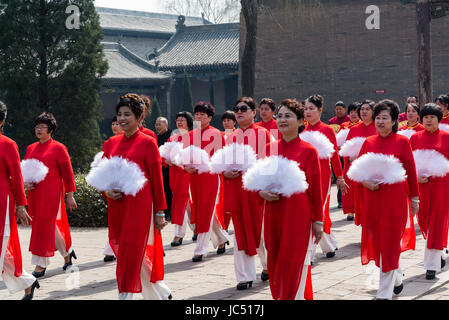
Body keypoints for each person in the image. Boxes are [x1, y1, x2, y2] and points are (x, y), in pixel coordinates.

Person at [102, 93, 171, 300]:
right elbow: (101, 174)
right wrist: (106, 190)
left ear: (139, 117)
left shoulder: (148, 143)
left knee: (130, 252)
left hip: (140, 205)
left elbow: (157, 180)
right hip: (118, 205)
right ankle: (161, 294)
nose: (122, 119)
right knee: (129, 251)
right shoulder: (110, 143)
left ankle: (125, 296)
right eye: (120, 114)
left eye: (127, 114)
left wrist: (160, 211)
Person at [350, 99, 419, 300]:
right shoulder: (368, 142)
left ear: (395, 120)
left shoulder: (402, 142)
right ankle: (396, 276)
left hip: (394, 201)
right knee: (378, 245)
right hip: (372, 201)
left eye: (385, 118)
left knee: (389, 243)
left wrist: (415, 198)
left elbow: (411, 172)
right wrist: (365, 183)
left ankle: (384, 293)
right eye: (378, 117)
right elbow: (356, 173)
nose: (380, 122)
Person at [259, 99, 323, 300]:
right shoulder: (269, 148)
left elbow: (316, 190)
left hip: (297, 214)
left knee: (294, 260)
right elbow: (257, 182)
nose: (283, 120)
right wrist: (262, 192)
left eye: (288, 116)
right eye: (280, 115)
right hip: (272, 213)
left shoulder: (308, 151)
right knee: (275, 259)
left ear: (300, 121)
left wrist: (318, 221)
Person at [224, 97, 271, 290]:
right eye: (236, 109)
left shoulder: (264, 134)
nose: (239, 112)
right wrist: (224, 172)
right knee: (240, 233)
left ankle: (268, 266)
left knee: (260, 233)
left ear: (254, 112)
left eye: (244, 108)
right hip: (236, 190)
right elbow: (222, 163)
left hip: (257, 192)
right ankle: (244, 276)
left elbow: (270, 163)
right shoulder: (231, 136)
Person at [24, 112, 78, 278]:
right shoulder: (30, 148)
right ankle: (67, 253)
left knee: (43, 226)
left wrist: (70, 195)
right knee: (46, 226)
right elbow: (24, 171)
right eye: (37, 127)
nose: (38, 130)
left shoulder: (59, 148)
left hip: (51, 194)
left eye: (42, 127)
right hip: (34, 193)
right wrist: (24, 184)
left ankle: (40, 264)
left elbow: (68, 174)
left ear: (51, 130)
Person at [0, 100, 39, 300]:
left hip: (2, 203)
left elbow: (17, 177)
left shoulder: (8, 145)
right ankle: (28, 281)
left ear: (1, 122)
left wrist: (21, 205)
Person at [304, 95, 347, 260]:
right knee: (310, 213)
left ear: (320, 110)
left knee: (318, 210)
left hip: (322, 176)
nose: (308, 112)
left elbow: (334, 155)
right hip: (304, 177)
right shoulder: (301, 130)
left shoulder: (327, 130)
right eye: (306, 109)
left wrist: (340, 177)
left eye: (311, 109)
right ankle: (328, 245)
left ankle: (309, 254)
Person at [186, 101, 230, 262]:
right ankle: (222, 237)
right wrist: (186, 167)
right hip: (194, 179)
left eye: (202, 115)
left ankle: (200, 249)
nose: (198, 117)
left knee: (207, 210)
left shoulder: (217, 134)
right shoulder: (190, 135)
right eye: (196, 114)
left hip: (211, 178)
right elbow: (185, 156)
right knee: (201, 211)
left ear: (210, 118)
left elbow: (222, 157)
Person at [409, 103, 449, 280]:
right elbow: (408, 164)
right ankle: (439, 252)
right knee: (424, 221)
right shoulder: (415, 138)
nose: (429, 120)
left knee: (437, 222)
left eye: (432, 117)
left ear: (438, 119)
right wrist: (416, 178)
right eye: (425, 117)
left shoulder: (446, 137)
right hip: (422, 187)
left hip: (442, 186)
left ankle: (431, 267)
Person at [341, 100, 376, 223]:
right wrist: (349, 160)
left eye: (367, 109)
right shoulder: (354, 129)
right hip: (354, 167)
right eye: (362, 109)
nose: (364, 112)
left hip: (372, 170)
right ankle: (353, 212)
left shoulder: (377, 127)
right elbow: (346, 148)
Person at [163, 111, 195, 247]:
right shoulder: (173, 138)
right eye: (178, 120)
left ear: (189, 122)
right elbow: (164, 155)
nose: (180, 122)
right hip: (174, 175)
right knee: (186, 204)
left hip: (188, 175)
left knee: (180, 204)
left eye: (183, 120)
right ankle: (197, 228)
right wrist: (167, 161)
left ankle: (178, 235)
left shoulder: (193, 137)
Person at [103, 116, 122, 262]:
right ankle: (111, 248)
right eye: (113, 123)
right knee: (114, 219)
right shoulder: (109, 143)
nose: (115, 126)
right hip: (112, 186)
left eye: (118, 124)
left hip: (128, 187)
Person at [155, 117, 173, 221]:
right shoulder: (155, 138)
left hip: (171, 169)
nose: (157, 127)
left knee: (171, 192)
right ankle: (166, 213)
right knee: (165, 192)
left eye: (159, 124)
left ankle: (171, 212)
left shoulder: (172, 135)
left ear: (166, 125)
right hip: (161, 170)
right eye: (156, 125)